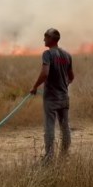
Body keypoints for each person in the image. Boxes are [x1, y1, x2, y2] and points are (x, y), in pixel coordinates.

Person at [30, 28, 74, 162]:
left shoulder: (47, 54)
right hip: (64, 97)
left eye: (45, 37)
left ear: (51, 39)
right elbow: (71, 77)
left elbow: (44, 73)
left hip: (51, 98)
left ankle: (49, 158)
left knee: (49, 127)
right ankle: (64, 155)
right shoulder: (67, 55)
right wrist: (63, 85)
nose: (44, 39)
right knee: (64, 126)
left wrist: (35, 87)